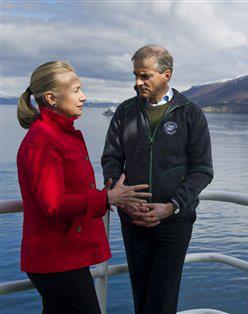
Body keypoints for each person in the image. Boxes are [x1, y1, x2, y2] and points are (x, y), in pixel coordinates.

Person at [16, 61, 151, 314]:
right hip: (56, 259)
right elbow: (53, 204)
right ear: (51, 98)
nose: (83, 97)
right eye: (76, 90)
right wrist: (107, 199)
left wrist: (107, 194)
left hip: (63, 256)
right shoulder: (44, 139)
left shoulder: (58, 133)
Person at [101, 45, 213, 314]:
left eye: (145, 76)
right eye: (135, 75)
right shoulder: (125, 111)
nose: (137, 83)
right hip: (134, 219)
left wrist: (171, 206)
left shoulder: (190, 113)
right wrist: (125, 201)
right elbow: (111, 159)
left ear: (166, 75)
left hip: (174, 221)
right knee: (141, 293)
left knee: (162, 295)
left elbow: (203, 170)